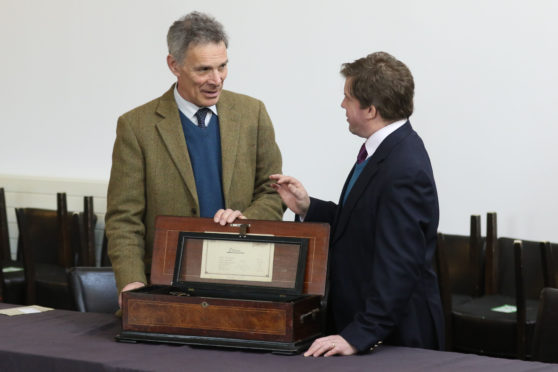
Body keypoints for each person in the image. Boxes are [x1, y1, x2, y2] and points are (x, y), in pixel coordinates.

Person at [270, 51, 443, 356]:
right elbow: (364, 223)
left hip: (394, 338)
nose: (342, 105)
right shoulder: (384, 150)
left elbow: (400, 265)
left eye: (348, 98)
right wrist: (308, 207)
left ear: (371, 109)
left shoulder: (404, 168)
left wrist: (359, 335)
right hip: (368, 326)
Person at [106, 12, 284, 306]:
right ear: (174, 65)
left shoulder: (253, 113)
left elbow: (272, 193)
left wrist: (246, 219)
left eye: (223, 66)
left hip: (242, 282)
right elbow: (124, 219)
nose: (216, 80)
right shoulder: (136, 126)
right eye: (203, 70)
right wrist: (131, 281)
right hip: (167, 287)